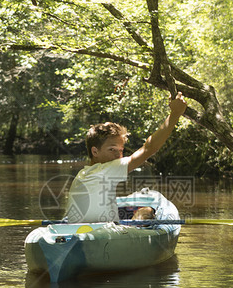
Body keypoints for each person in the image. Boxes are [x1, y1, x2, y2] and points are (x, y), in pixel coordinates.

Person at [65, 91, 187, 223]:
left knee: (141, 211)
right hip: (102, 234)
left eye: (121, 150)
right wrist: (175, 113)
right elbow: (149, 148)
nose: (118, 155)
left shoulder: (84, 173)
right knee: (146, 211)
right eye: (112, 149)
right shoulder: (104, 169)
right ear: (95, 151)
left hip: (89, 231)